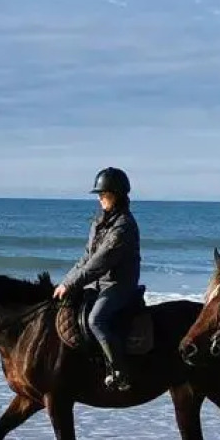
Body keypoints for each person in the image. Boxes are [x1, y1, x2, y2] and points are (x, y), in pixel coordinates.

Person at [53, 167, 142, 391]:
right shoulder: (99, 222)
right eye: (99, 194)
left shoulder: (124, 227)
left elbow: (100, 263)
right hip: (98, 284)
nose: (100, 198)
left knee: (96, 320)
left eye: (105, 194)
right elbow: (86, 258)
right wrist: (65, 282)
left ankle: (119, 370)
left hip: (118, 285)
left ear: (118, 195)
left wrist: (72, 284)